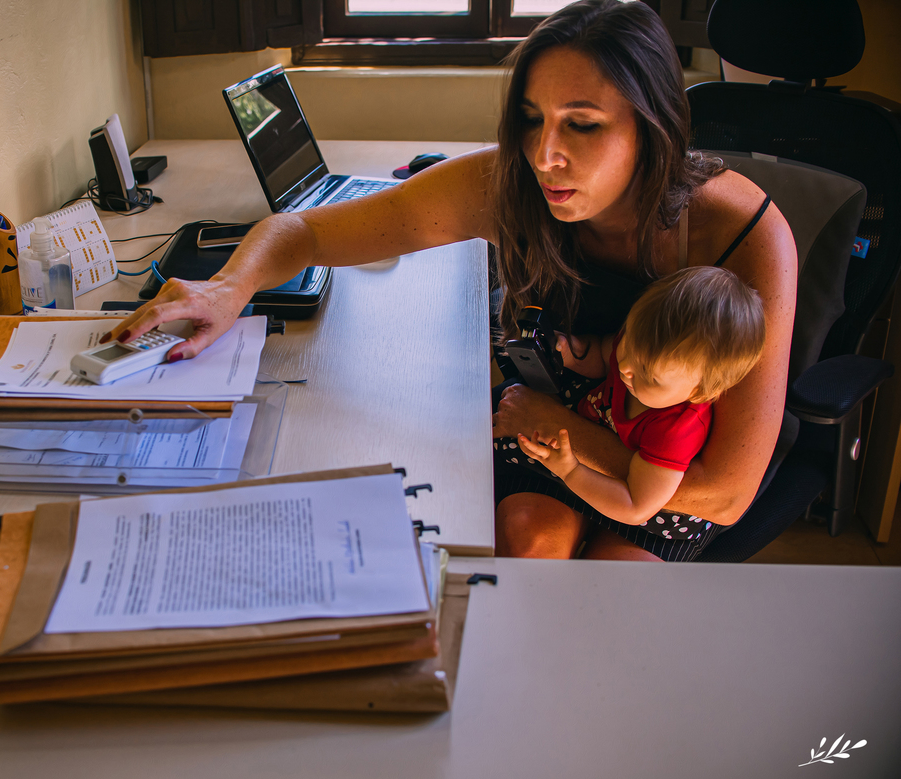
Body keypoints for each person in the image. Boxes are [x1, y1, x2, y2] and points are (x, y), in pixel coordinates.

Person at [105, 0, 797, 561]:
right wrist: (228, 289)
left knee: (612, 599)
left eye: (581, 126)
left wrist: (554, 425)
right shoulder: (512, 182)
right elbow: (308, 229)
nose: (544, 155)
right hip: (544, 428)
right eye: (531, 121)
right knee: (530, 539)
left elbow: (726, 494)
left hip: (661, 477)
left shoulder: (745, 236)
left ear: (652, 128)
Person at [513, 266, 766, 545]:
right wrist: (571, 353)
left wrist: (572, 472)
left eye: (648, 374)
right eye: (628, 344)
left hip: (648, 510)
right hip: (604, 457)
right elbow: (601, 353)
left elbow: (635, 505)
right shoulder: (640, 351)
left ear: (699, 392)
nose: (626, 368)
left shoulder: (675, 431)